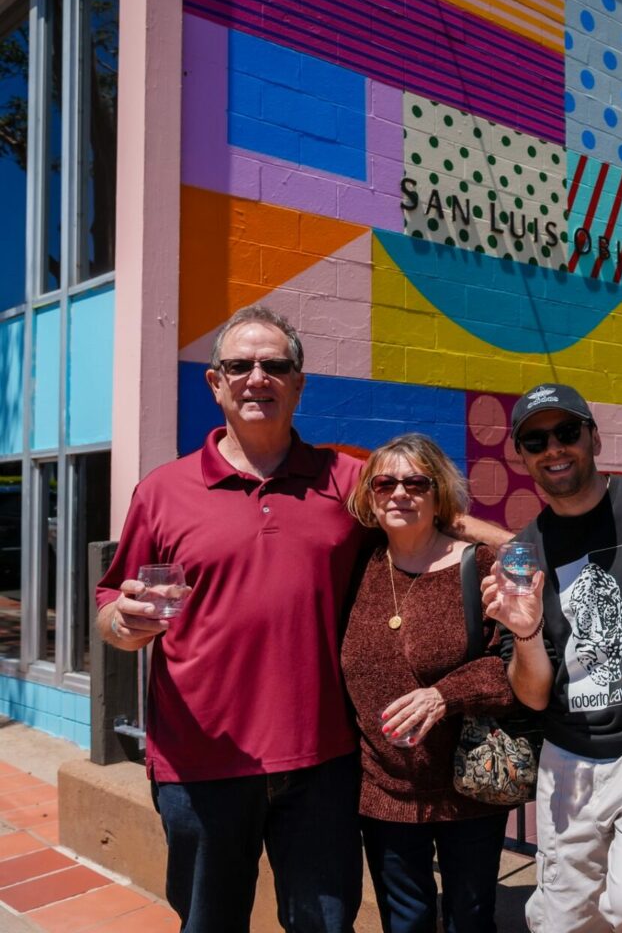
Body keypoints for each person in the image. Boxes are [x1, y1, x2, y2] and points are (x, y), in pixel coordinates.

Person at [95, 306, 509, 933]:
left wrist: (502, 543)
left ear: (298, 383)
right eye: (239, 365)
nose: (256, 377)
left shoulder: (346, 483)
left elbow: (421, 508)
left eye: (274, 365)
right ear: (215, 383)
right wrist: (121, 627)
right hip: (200, 763)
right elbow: (109, 606)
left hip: (323, 764)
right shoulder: (162, 490)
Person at [479, 383, 622, 933]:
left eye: (567, 432)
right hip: (570, 755)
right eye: (536, 440)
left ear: (594, 437)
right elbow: (533, 694)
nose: (554, 449)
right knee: (561, 923)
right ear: (523, 457)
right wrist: (527, 632)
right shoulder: (523, 553)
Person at [341, 433, 517, 933]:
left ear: (438, 493)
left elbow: (510, 667)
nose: (400, 493)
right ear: (370, 496)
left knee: (470, 917)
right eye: (385, 483)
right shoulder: (359, 565)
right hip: (382, 787)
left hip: (468, 783)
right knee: (406, 919)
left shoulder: (478, 564)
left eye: (416, 482)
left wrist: (444, 695)